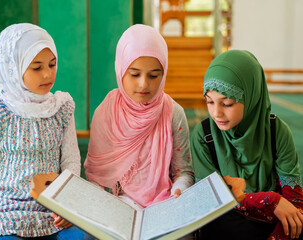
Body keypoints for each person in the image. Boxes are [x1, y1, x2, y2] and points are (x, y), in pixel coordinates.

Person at [0, 23, 93, 240]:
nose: (47, 74)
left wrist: (66, 205)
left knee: (88, 237)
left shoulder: (62, 107)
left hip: (51, 205)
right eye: (36, 67)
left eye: (52, 65)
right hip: (8, 205)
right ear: (13, 68)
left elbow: (70, 161)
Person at [190, 50, 303, 240]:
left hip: (270, 221)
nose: (216, 113)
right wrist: (270, 200)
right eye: (209, 102)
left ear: (251, 98)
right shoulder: (204, 134)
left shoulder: (277, 131)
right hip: (227, 219)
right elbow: (210, 198)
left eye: (227, 103)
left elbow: (294, 198)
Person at [84, 24, 194, 210]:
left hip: (164, 203)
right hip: (118, 205)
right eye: (134, 74)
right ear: (120, 69)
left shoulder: (173, 113)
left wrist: (179, 190)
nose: (144, 84)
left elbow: (183, 172)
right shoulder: (106, 112)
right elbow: (97, 179)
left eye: (154, 75)